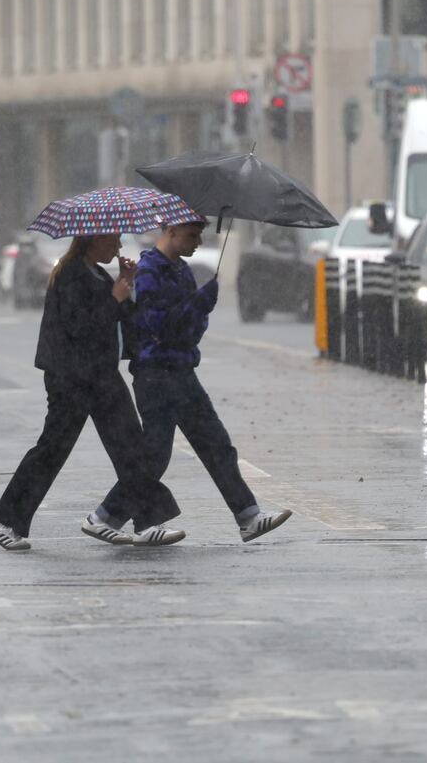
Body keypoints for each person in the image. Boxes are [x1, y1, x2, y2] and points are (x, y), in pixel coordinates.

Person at [90, 218, 292, 543]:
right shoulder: (149, 271)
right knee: (155, 453)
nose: (198, 242)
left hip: (182, 372)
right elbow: (160, 327)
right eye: (192, 235)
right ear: (170, 231)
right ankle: (105, 515)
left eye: (199, 235)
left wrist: (200, 309)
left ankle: (248, 516)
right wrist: (200, 303)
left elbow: (190, 329)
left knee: (216, 444)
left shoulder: (183, 271)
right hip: (155, 375)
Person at [0, 232, 183, 551]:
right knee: (52, 449)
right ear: (94, 241)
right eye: (113, 241)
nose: (118, 247)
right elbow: (81, 326)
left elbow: (118, 321)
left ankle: (145, 522)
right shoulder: (70, 274)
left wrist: (126, 284)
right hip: (71, 376)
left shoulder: (97, 273)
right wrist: (115, 298)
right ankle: (5, 521)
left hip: (101, 374)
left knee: (130, 445)